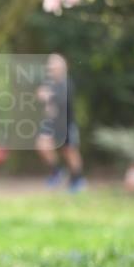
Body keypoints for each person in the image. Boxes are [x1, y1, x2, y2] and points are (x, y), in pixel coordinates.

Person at [35, 53, 86, 192]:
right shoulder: (49, 82)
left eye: (55, 65)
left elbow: (61, 101)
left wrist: (48, 97)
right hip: (51, 124)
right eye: (50, 65)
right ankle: (57, 172)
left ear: (63, 67)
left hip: (66, 124)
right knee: (42, 145)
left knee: (69, 152)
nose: (52, 68)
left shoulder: (67, 83)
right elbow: (42, 99)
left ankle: (77, 179)